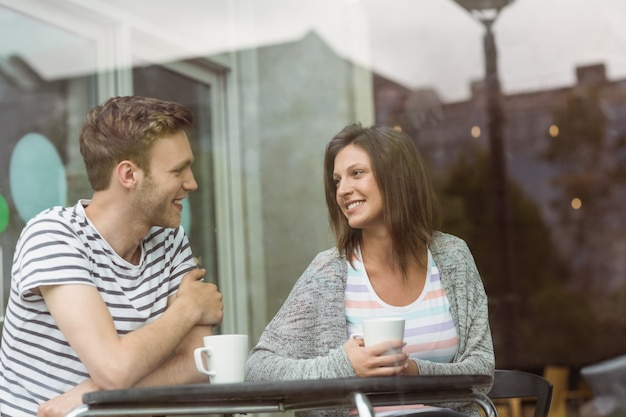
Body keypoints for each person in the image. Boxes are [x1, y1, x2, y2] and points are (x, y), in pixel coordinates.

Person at [245, 123, 494, 417]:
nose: (343, 190)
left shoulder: (453, 257)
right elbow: (257, 370)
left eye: (357, 173)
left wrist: (414, 372)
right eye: (337, 180)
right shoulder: (328, 272)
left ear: (396, 177)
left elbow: (482, 369)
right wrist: (345, 366)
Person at [0, 96, 223, 417]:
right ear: (129, 175)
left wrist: (95, 393)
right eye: (178, 170)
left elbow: (202, 363)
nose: (192, 183)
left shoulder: (169, 239)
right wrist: (188, 308)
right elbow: (115, 370)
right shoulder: (54, 234)